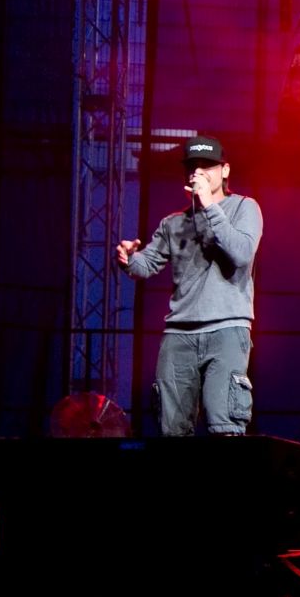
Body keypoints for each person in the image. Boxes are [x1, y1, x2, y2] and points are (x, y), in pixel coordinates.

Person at [116, 135, 264, 437]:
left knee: (225, 425)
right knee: (172, 429)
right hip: (179, 333)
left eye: (207, 166)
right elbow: (147, 265)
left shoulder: (244, 208)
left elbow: (240, 253)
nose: (198, 172)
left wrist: (208, 205)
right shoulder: (173, 223)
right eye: (193, 166)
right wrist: (129, 259)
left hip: (226, 329)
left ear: (225, 170)